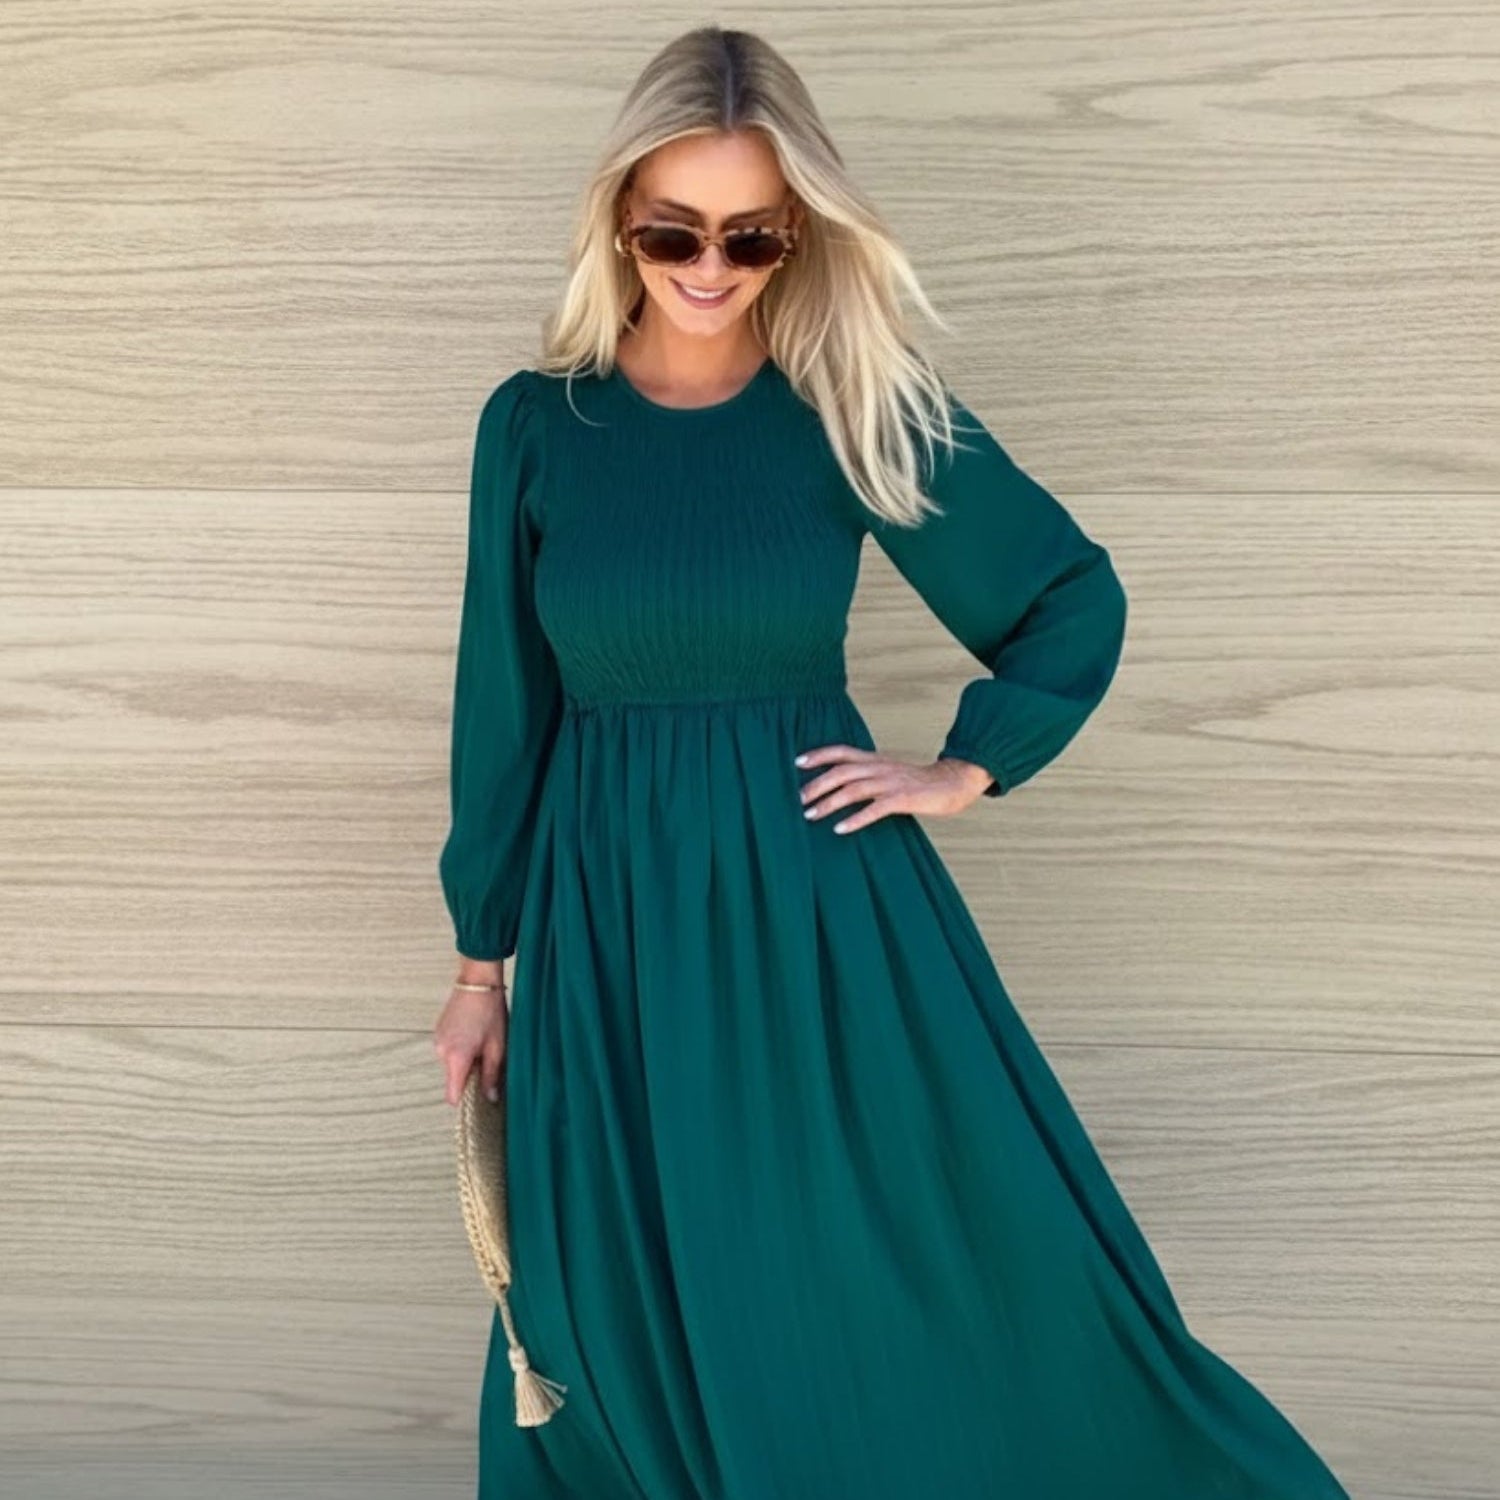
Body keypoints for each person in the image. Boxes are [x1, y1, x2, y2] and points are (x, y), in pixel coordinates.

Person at [432, 24, 1353, 1500]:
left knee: (854, 1264)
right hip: (604, 917)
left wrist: (966, 766)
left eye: (751, 233)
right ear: (619, 220)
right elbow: (504, 707)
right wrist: (482, 967)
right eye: (674, 230)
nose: (711, 265)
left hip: (810, 912)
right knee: (603, 1278)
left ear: (796, 233)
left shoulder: (846, 407)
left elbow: (1065, 598)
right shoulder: (537, 428)